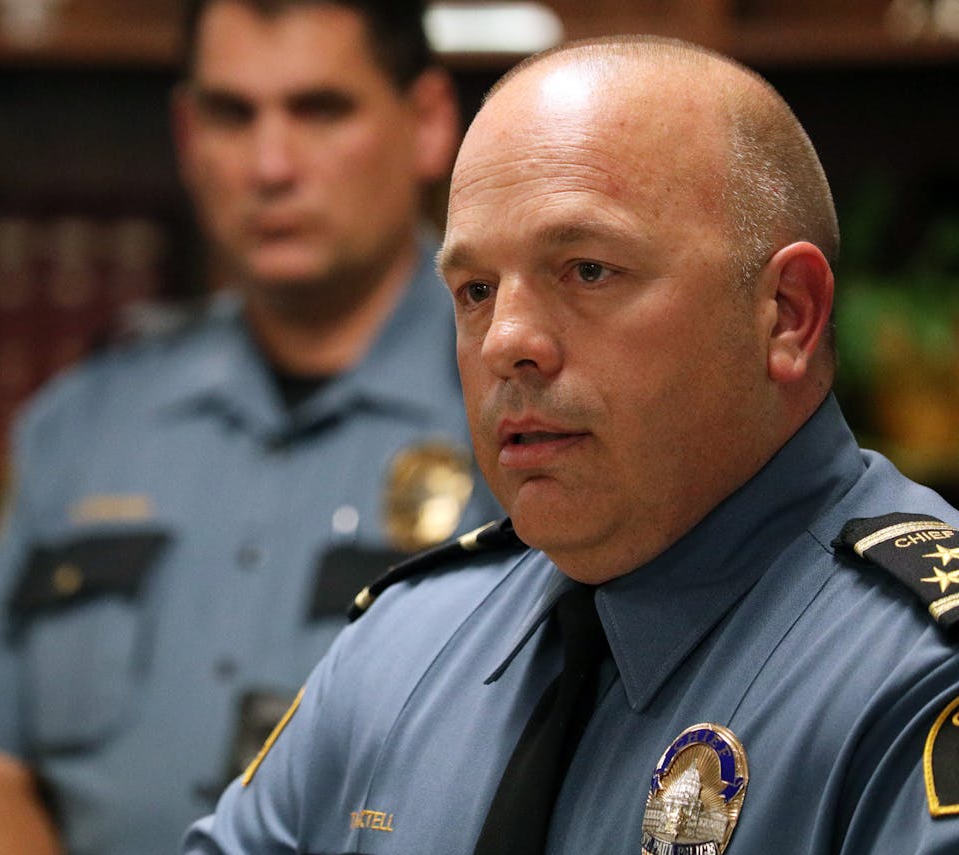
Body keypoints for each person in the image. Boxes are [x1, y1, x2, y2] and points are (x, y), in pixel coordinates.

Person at [185, 35, 959, 854]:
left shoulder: (916, 676)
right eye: (476, 290)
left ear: (787, 313)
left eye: (587, 270)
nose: (505, 342)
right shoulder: (403, 646)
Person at [0, 1, 502, 853]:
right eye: (232, 116)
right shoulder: (80, 424)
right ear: (188, 134)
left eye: (320, 110)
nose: (270, 166)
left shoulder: (521, 404)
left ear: (426, 123)